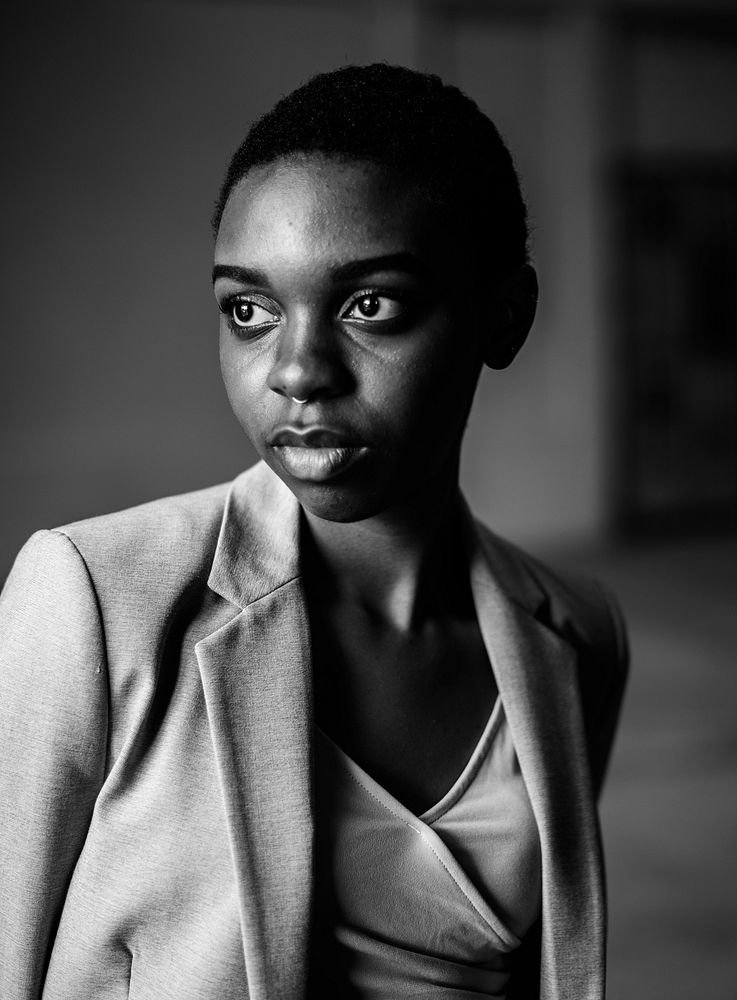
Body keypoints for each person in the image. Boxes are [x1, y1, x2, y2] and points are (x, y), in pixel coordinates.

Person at [0, 64, 628, 1000]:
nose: (297, 371)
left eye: (369, 303)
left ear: (506, 314)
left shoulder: (575, 634)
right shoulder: (95, 600)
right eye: (248, 311)